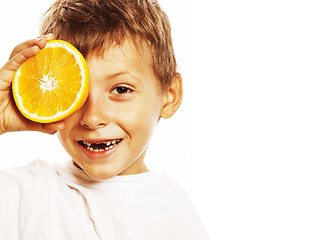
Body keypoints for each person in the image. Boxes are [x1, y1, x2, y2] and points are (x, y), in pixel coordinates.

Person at [0, 0, 209, 239]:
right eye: (75, 94)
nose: (92, 117)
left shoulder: (175, 213)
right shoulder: (24, 195)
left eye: (120, 90)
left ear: (169, 95)